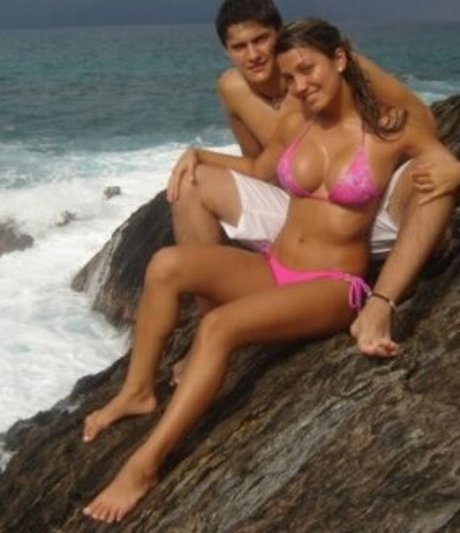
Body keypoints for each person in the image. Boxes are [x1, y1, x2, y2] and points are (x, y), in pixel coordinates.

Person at [82, 19, 457, 523]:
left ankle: (143, 466)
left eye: (308, 70)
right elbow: (260, 172)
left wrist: (455, 171)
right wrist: (199, 155)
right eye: (290, 78)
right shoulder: (297, 121)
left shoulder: (389, 126)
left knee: (218, 326)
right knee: (166, 264)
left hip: (332, 285)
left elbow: (441, 167)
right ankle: (138, 391)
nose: (300, 85)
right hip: (275, 266)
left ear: (339, 60)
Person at [168, 0, 454, 363]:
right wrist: (199, 155)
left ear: (279, 34)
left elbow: (421, 122)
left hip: (362, 203)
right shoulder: (232, 88)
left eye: (261, 40)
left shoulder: (333, 66)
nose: (253, 55)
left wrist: (388, 125)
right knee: (189, 182)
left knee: (432, 175)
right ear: (226, 50)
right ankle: (205, 333)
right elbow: (258, 165)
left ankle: (382, 304)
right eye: (239, 46)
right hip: (301, 214)